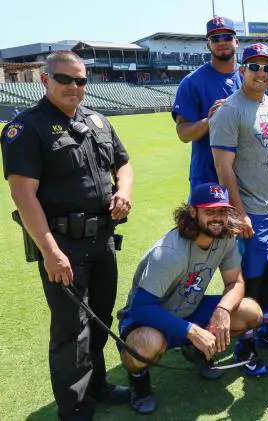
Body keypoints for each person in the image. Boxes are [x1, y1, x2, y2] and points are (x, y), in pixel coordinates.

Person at [1, 51, 134, 420]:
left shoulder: (97, 121)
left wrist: (124, 191)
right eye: (65, 79)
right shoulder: (26, 129)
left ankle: (98, 386)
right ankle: (75, 409)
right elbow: (23, 195)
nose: (75, 87)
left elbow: (123, 163)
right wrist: (50, 251)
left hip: (103, 240)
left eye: (81, 80)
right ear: (45, 81)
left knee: (100, 319)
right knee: (70, 331)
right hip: (63, 245)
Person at [116, 183, 263, 414]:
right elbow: (141, 307)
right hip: (149, 319)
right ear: (193, 212)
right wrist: (192, 331)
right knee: (144, 346)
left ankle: (195, 351)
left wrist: (222, 310)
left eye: (222, 211)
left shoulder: (225, 238)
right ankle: (139, 380)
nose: (218, 218)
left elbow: (235, 282)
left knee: (251, 312)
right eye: (210, 211)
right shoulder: (170, 252)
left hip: (189, 308)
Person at [210, 43, 268, 373]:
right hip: (251, 211)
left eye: (267, 67)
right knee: (251, 278)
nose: (261, 73)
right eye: (254, 66)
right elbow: (223, 168)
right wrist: (239, 211)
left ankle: (265, 328)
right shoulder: (230, 111)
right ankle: (244, 345)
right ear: (242, 70)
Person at [172, 17, 242, 191]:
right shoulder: (192, 82)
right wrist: (209, 120)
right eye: (215, 38)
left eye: (227, 37)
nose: (222, 42)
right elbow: (183, 133)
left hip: (246, 174)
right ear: (208, 45)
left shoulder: (251, 76)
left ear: (236, 42)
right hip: (207, 175)